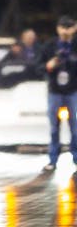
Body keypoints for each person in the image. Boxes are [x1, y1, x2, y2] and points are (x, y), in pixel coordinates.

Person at [39, 16, 77, 172]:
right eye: (63, 27)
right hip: (55, 91)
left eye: (69, 27)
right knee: (54, 128)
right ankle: (53, 160)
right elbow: (37, 66)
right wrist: (48, 66)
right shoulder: (50, 46)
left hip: (73, 91)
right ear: (57, 28)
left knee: (75, 128)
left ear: (75, 28)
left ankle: (76, 158)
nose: (66, 31)